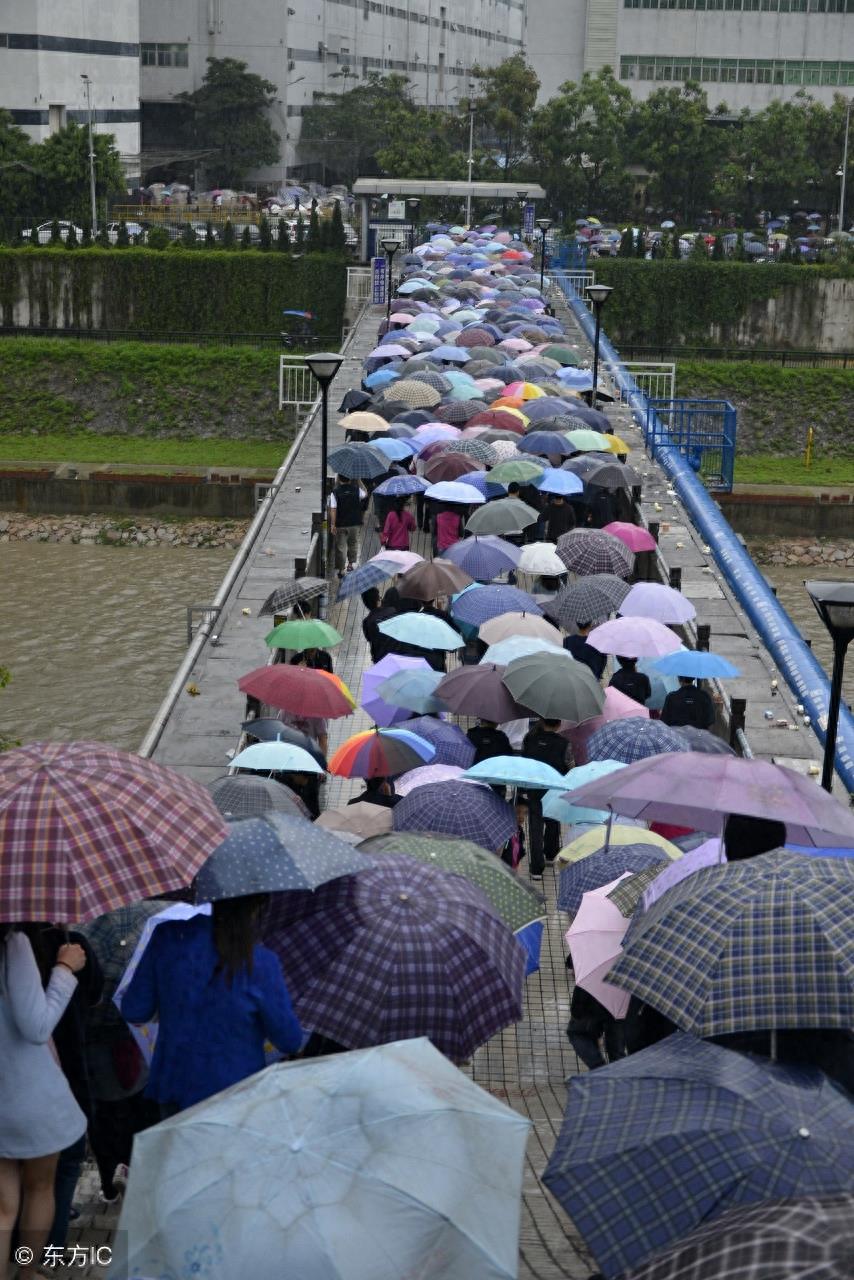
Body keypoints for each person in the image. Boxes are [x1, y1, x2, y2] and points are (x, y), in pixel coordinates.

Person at [121, 896, 302, 1115]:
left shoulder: (167, 937)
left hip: (175, 1084)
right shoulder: (260, 962)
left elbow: (134, 1009)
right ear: (257, 907)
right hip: (237, 1093)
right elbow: (289, 1040)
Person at [0, 926, 88, 1280]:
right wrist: (65, 970)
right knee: (39, 1188)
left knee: (3, 1207)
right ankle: (27, 1274)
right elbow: (36, 1027)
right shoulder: (12, 944)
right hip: (27, 1094)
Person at [17, 925, 103, 1246]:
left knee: (19, 1180)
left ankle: (24, 1252)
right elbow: (94, 995)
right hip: (62, 1078)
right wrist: (65, 968)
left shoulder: (13, 945)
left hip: (15, 1087)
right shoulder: (67, 945)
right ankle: (45, 1256)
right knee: (63, 1168)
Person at [522, 718, 569, 878]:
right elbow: (568, 766)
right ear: (559, 724)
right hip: (554, 787)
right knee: (553, 820)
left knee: (535, 826)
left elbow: (524, 762)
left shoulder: (530, 739)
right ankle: (551, 854)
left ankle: (536, 868)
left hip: (534, 787)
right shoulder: (563, 742)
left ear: (541, 722)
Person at [566, 984, 625, 1070]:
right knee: (616, 1049)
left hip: (593, 1000)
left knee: (578, 1033)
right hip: (620, 1004)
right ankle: (618, 1075)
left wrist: (576, 1010)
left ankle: (600, 1070)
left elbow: (577, 1012)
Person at [329, 474, 365, 577]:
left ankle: (341, 569)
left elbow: (333, 509)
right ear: (350, 479)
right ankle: (350, 564)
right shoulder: (357, 490)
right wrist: (359, 480)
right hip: (354, 523)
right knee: (353, 543)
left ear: (339, 479)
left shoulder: (335, 493)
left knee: (341, 546)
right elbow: (365, 494)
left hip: (341, 524)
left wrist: (332, 524)